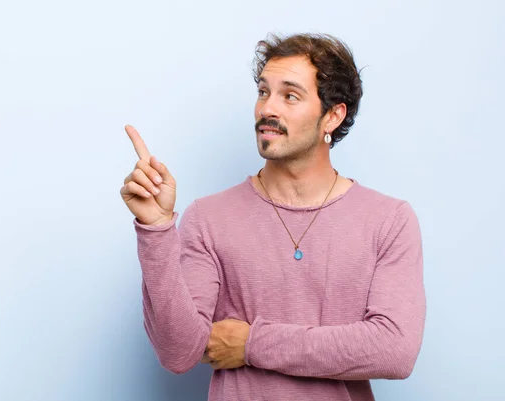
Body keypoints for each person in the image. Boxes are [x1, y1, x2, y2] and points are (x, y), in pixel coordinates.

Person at [119, 32, 426, 401]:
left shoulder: (389, 220)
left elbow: (395, 349)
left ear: (332, 116)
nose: (268, 108)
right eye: (264, 92)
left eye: (290, 95)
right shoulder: (209, 217)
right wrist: (156, 229)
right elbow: (179, 353)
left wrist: (252, 343)